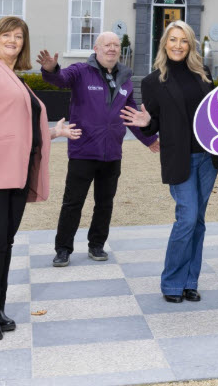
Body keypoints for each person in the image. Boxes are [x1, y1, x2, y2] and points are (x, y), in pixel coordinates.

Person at [0, 16, 81, 341]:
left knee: (4, 242)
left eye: (19, 36)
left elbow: (20, 130)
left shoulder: (15, 78)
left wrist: (54, 132)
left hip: (16, 172)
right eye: (7, 35)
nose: (13, 40)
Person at [120, 21, 218, 304]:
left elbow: (214, 114)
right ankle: (172, 282)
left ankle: (191, 281)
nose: (178, 45)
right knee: (187, 218)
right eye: (173, 40)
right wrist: (146, 122)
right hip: (179, 158)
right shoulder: (153, 81)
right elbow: (152, 126)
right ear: (164, 43)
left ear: (190, 45)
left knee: (198, 221)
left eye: (184, 40)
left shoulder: (204, 75)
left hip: (207, 158)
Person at [37, 32, 158, 268]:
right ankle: (63, 249)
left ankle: (97, 245)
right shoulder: (81, 71)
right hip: (84, 150)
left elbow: (132, 115)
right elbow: (60, 79)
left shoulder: (125, 78)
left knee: (105, 202)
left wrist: (149, 139)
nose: (112, 49)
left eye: (115, 45)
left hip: (112, 153)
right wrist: (51, 69)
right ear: (96, 48)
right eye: (107, 45)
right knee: (73, 202)